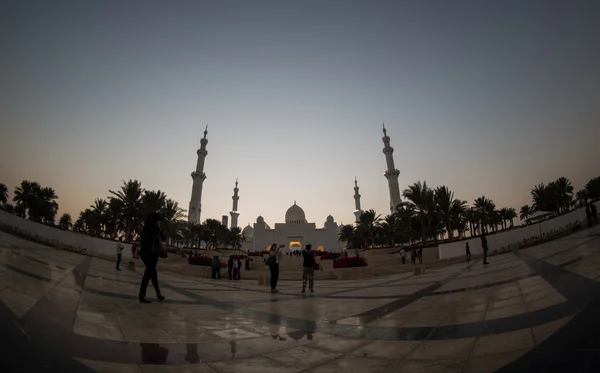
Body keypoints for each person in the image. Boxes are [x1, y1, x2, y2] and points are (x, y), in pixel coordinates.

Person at [138, 212, 166, 303]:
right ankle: (142, 295)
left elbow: (163, 238)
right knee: (149, 273)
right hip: (150, 254)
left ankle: (158, 294)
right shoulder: (152, 228)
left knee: (152, 274)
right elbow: (163, 238)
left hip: (149, 254)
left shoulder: (147, 229)